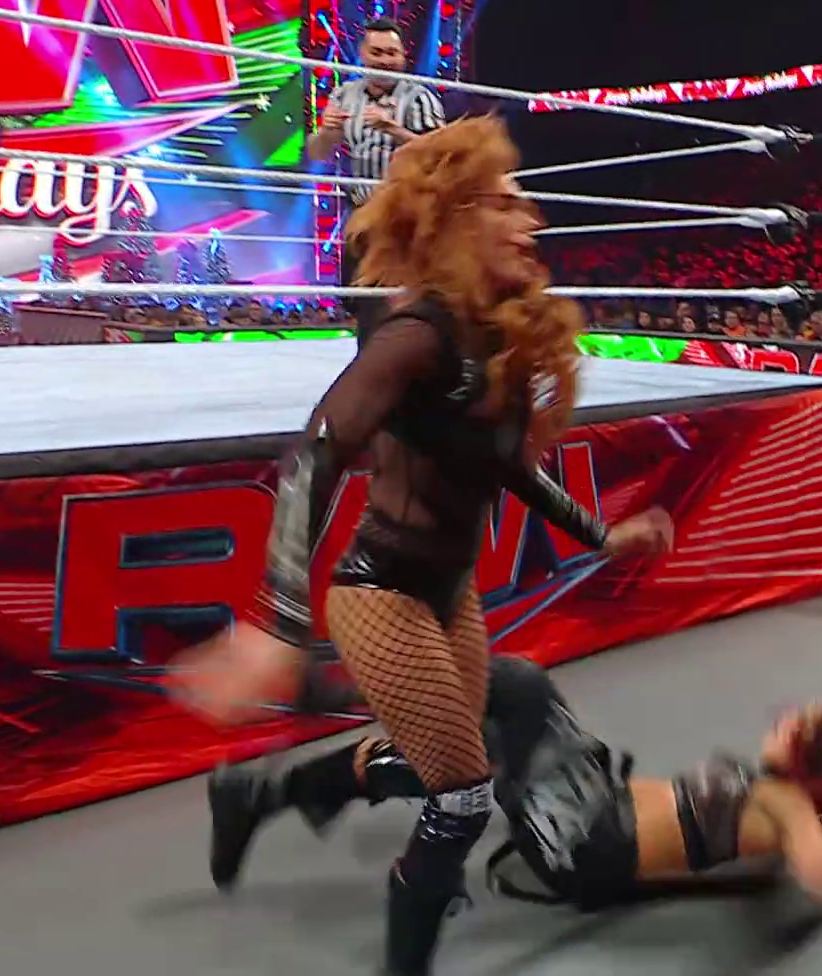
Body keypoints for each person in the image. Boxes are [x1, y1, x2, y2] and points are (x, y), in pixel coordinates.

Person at [171, 116, 675, 975]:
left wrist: (601, 533)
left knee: (443, 758)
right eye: (507, 203)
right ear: (456, 217)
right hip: (382, 593)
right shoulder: (419, 336)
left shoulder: (495, 335)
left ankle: (261, 792)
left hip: (451, 592)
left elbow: (509, 464)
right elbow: (317, 452)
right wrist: (277, 622)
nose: (531, 221)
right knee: (464, 796)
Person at [207, 656, 822, 917]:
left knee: (512, 697)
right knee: (487, 721)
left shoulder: (784, 803)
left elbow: (819, 874)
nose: (782, 719)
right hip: (591, 796)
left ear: (810, 761)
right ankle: (271, 794)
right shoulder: (788, 793)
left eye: (795, 725)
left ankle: (323, 705)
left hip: (587, 839)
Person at [310, 18, 447, 339]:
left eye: (392, 53)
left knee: (406, 302)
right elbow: (317, 153)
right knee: (363, 301)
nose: (385, 60)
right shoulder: (345, 95)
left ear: (403, 56)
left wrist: (394, 129)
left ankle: (407, 356)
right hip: (363, 213)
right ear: (363, 54)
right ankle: (371, 356)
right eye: (377, 52)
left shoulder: (419, 97)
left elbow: (443, 152)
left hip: (407, 215)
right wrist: (328, 131)